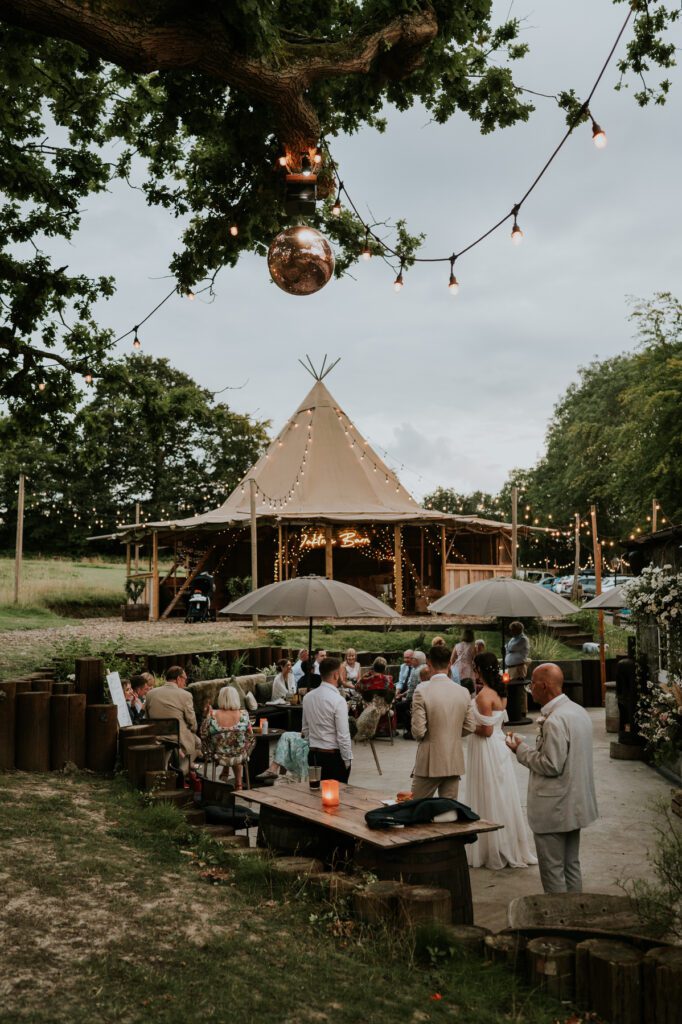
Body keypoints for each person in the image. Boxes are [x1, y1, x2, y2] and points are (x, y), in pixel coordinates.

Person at [507, 663, 598, 893]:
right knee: (571, 865)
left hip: (554, 807)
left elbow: (551, 765)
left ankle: (560, 923)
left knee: (553, 871)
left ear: (544, 686)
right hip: (575, 804)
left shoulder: (556, 720)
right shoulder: (578, 711)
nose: (530, 689)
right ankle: (576, 914)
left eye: (532, 684)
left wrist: (520, 750)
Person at [460, 653, 537, 869]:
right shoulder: (500, 693)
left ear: (479, 670)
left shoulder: (484, 696)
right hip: (498, 744)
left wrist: (464, 724)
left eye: (475, 668)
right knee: (500, 794)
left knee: (488, 793)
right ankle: (504, 843)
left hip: (486, 747)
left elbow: (485, 730)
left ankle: (490, 848)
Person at [409, 644, 476, 799]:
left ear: (429, 664)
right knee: (449, 813)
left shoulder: (422, 690)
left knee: (415, 808)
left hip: (429, 761)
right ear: (449, 664)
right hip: (453, 759)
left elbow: (418, 731)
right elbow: (470, 726)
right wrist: (450, 734)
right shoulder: (463, 691)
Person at [301, 656, 352, 782]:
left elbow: (305, 729)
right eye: (341, 673)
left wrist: (312, 745)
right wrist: (347, 760)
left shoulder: (308, 697)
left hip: (313, 755)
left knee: (315, 795)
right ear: (336, 675)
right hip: (332, 756)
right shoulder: (338, 700)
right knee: (335, 797)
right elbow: (343, 735)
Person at [145, 665, 202, 768]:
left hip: (155, 735)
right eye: (185, 679)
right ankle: (183, 770)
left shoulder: (150, 694)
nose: (185, 682)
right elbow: (192, 722)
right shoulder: (185, 695)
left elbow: (147, 717)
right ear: (178, 678)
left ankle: (175, 767)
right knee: (198, 743)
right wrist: (193, 729)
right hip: (177, 737)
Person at [201, 685, 254, 790]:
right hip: (239, 756)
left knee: (223, 743)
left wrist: (205, 717)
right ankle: (238, 784)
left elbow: (203, 734)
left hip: (218, 756)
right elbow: (250, 735)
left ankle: (225, 770)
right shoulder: (244, 715)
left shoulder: (212, 715)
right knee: (238, 744)